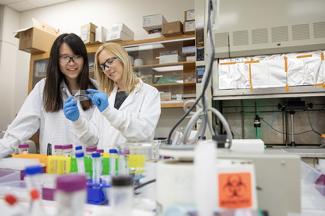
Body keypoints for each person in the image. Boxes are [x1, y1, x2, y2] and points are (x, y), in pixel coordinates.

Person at [0, 33, 96, 157]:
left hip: (88, 166)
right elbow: (20, 128)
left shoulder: (96, 90)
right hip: (55, 166)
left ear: (84, 59)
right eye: (65, 57)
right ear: (56, 60)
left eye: (77, 56)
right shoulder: (43, 88)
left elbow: (102, 135)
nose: (71, 63)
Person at [63, 42, 161, 150]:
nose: (107, 68)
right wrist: (77, 120)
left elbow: (143, 132)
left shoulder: (149, 93)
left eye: (110, 61)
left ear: (122, 58)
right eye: (103, 66)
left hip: (134, 163)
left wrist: (108, 111)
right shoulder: (106, 96)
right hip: (106, 164)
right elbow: (93, 139)